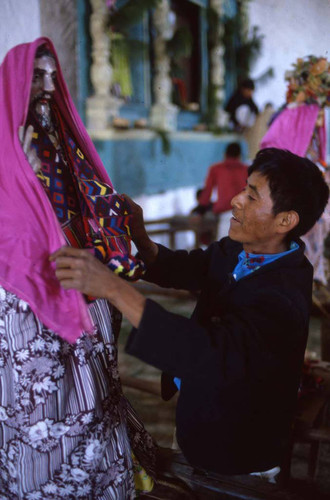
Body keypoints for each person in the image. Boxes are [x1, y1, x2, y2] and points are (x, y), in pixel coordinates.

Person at [52, 148, 329, 478]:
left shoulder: (282, 297)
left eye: (252, 196)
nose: (237, 200)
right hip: (200, 418)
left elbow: (206, 350)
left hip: (237, 448)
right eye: (244, 188)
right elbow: (190, 267)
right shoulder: (239, 250)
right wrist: (141, 238)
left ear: (285, 220)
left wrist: (113, 289)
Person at [0, 38, 156, 498]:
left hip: (82, 279)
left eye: (52, 76)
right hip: (26, 295)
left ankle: (98, 480)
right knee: (40, 401)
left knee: (92, 395)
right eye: (37, 77)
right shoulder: (5, 145)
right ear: (15, 80)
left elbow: (88, 198)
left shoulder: (60, 140)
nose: (47, 87)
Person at [260, 55, 330, 285]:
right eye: (318, 113)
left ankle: (314, 274)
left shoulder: (313, 138)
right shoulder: (292, 118)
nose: (321, 118)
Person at [199, 142, 247, 239]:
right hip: (244, 214)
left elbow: (207, 192)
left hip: (224, 212)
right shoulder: (248, 169)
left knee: (225, 249)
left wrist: (201, 209)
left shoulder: (216, 169)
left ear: (225, 154)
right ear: (239, 155)